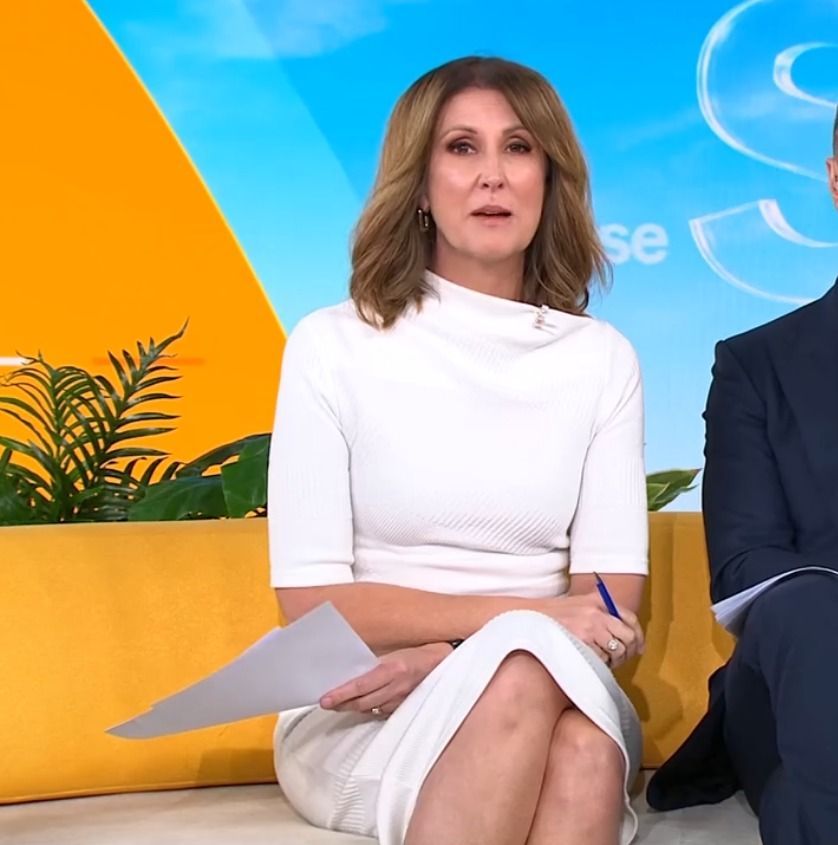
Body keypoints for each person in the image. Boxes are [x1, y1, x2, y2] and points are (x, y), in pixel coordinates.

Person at [267, 56, 649, 845]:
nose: (492, 176)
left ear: (549, 178)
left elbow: (609, 610)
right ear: (419, 181)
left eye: (519, 148)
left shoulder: (600, 359)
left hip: (550, 681)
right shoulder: (332, 346)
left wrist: (476, 653)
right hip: (366, 696)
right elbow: (310, 604)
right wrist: (481, 644)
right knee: (526, 682)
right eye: (462, 148)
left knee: (573, 734)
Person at [647, 108, 838, 844]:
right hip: (804, 675)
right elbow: (744, 561)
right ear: (834, 179)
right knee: (807, 603)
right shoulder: (757, 365)